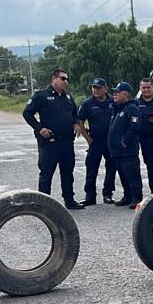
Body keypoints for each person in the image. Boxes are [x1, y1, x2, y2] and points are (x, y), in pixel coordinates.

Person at [23, 68, 84, 210]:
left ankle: (69, 200)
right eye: (63, 79)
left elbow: (74, 114)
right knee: (47, 173)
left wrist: (76, 123)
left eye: (67, 79)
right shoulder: (41, 96)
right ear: (54, 79)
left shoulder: (68, 97)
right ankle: (43, 204)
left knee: (68, 172)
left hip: (67, 142)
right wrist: (39, 128)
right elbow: (27, 113)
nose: (65, 82)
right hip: (50, 142)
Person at [77, 78, 117, 205]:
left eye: (99, 88)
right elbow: (80, 121)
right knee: (91, 168)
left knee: (111, 168)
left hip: (111, 140)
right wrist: (88, 139)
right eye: (94, 87)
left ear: (106, 88)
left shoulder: (113, 101)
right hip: (96, 140)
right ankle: (90, 196)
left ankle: (108, 194)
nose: (96, 90)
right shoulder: (88, 103)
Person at [107, 82, 144, 207]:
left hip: (127, 150)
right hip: (117, 150)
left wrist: (125, 141)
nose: (114, 94)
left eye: (117, 92)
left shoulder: (132, 108)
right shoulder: (117, 107)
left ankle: (136, 197)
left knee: (132, 174)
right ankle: (127, 196)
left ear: (126, 94)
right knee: (123, 174)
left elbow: (135, 127)